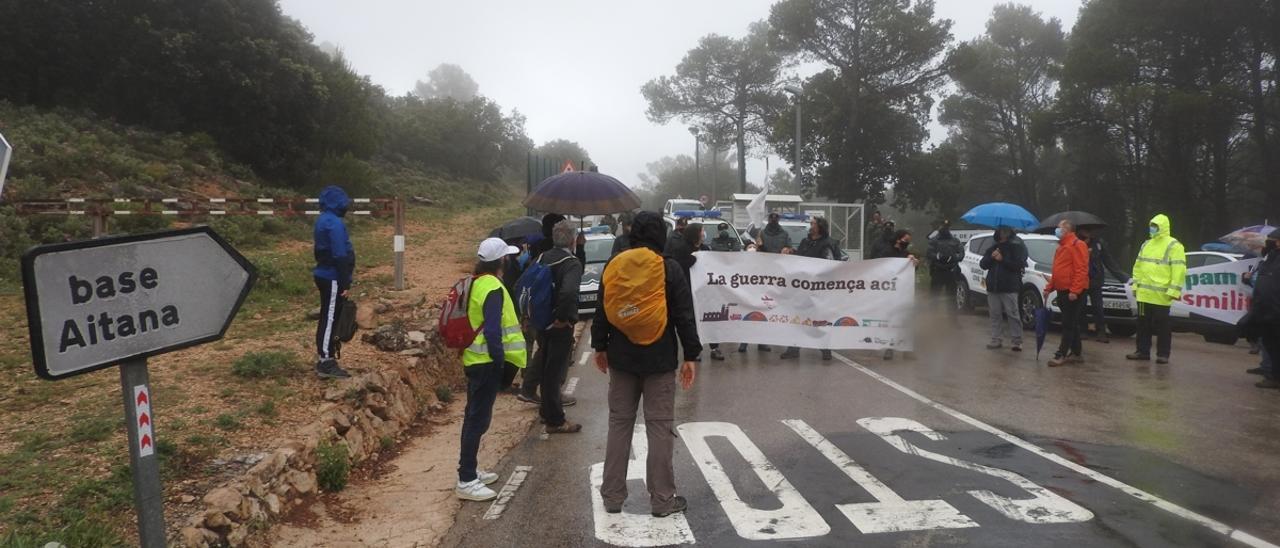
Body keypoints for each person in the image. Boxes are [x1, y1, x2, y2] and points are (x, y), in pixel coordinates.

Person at [593, 211, 700, 518]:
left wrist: (600, 346)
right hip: (659, 360)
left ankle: (612, 497)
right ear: (660, 236)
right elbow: (684, 314)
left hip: (622, 360)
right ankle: (663, 500)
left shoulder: (616, 265)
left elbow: (602, 308)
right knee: (659, 428)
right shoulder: (669, 269)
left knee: (619, 424)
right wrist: (690, 355)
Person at [456, 238, 528, 501]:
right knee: (478, 420)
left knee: (473, 417)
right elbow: (494, 330)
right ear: (501, 261)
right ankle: (466, 480)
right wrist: (500, 362)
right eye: (507, 258)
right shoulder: (494, 288)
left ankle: (470, 470)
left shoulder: (476, 282)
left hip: (475, 361)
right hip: (487, 363)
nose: (509, 261)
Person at [522, 221, 585, 432]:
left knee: (546, 367)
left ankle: (546, 413)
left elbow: (527, 284)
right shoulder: (571, 263)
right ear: (573, 239)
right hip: (559, 325)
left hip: (542, 322)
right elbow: (568, 292)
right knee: (554, 373)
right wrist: (562, 317)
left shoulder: (542, 257)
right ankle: (556, 421)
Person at [1127, 214, 1186, 365]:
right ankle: (1142, 351)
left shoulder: (1174, 245)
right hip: (1144, 296)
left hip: (1161, 296)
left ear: (1162, 227)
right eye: (1151, 225)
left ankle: (1163, 354)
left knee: (1163, 327)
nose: (1152, 228)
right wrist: (1135, 286)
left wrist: (1173, 291)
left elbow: (1179, 270)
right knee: (1142, 324)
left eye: (1155, 226)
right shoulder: (1146, 244)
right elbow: (1138, 267)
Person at [781, 217, 841, 361]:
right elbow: (800, 259)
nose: (810, 225)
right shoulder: (805, 242)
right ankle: (794, 348)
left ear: (820, 226)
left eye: (813, 223)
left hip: (820, 288)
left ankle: (825, 349)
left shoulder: (829, 243)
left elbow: (832, 264)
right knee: (799, 317)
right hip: (804, 286)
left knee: (819, 318)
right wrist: (791, 252)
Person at [312, 185, 356, 379]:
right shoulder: (335, 223)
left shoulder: (323, 220)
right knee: (329, 318)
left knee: (327, 316)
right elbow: (340, 254)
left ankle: (326, 354)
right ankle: (326, 361)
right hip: (332, 276)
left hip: (325, 273)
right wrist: (345, 282)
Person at [666, 224, 723, 361]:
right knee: (692, 321)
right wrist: (692, 260)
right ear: (695, 234)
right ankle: (695, 350)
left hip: (705, 290)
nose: (704, 233)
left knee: (710, 318)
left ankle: (715, 348)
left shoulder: (705, 249)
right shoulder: (681, 249)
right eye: (702, 231)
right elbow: (678, 267)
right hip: (688, 291)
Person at [1044, 220, 1089, 367]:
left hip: (1073, 292)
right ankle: (1076, 353)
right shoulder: (1061, 247)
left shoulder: (1078, 245)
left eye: (1059, 227)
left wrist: (1075, 290)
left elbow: (1081, 269)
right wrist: (1049, 288)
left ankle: (1061, 354)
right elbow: (1057, 271)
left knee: (1068, 324)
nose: (1057, 230)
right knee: (1071, 323)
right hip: (1062, 290)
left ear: (1067, 230)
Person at [979, 227, 1027, 351]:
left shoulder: (1017, 247)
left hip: (1009, 287)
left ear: (1010, 232)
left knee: (1013, 314)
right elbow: (983, 264)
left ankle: (1017, 341)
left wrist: (1003, 259)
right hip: (993, 287)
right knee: (995, 314)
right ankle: (996, 339)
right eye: (1001, 231)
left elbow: (1019, 265)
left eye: (1006, 230)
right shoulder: (993, 247)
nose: (1003, 233)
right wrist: (991, 257)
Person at [1245, 229, 1280, 389]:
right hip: (1266, 308)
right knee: (1268, 342)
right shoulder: (1270, 258)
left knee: (1273, 344)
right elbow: (1263, 280)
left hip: (1273, 309)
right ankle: (1270, 372)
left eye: (1274, 240)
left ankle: (1273, 374)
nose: (1272, 242)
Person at [1078, 227, 1120, 343]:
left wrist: (1122, 277)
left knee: (1098, 307)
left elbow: (1108, 261)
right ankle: (1082, 330)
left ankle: (1101, 331)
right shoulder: (1077, 242)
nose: (1087, 232)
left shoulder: (1098, 243)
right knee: (1081, 306)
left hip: (1095, 279)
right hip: (1081, 279)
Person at [880, 229, 916, 360]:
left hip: (903, 292)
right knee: (892, 321)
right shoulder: (887, 252)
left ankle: (906, 349)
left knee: (906, 320)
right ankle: (889, 348)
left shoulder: (906, 253)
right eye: (905, 240)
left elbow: (910, 269)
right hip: (890, 293)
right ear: (898, 239)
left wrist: (913, 262)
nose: (907, 243)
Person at [926, 220, 964, 317]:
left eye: (946, 227)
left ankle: (953, 321)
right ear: (939, 227)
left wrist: (953, 257)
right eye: (942, 226)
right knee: (934, 297)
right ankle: (932, 319)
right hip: (937, 271)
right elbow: (929, 253)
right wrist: (938, 256)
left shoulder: (955, 241)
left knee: (951, 298)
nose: (944, 228)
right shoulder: (933, 241)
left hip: (951, 271)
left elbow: (961, 254)